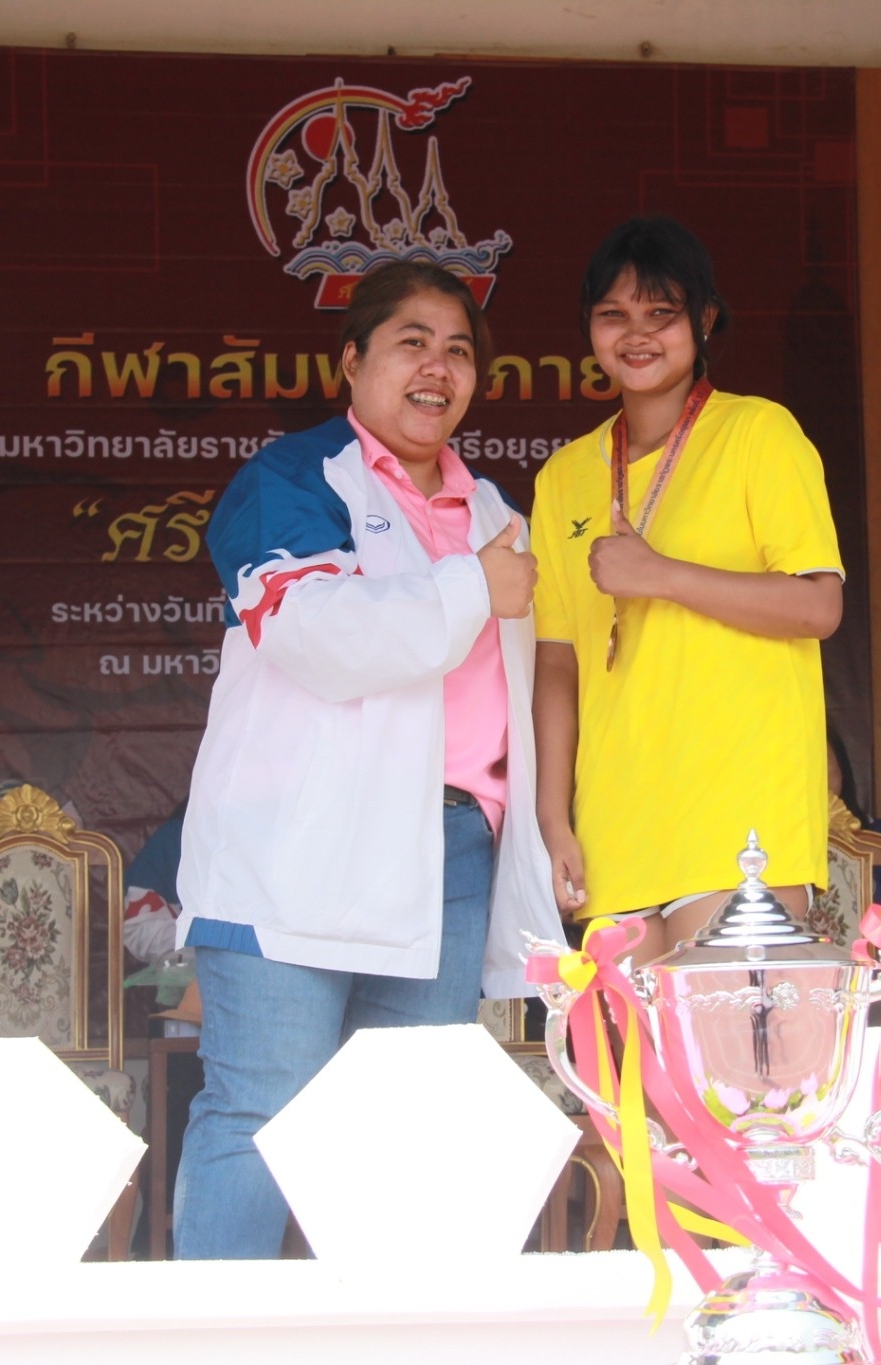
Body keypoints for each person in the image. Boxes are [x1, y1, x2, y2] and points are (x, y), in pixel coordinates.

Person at [172, 260, 558, 1260]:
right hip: (294, 851)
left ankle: (392, 1328)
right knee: (261, 1112)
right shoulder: (293, 479)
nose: (438, 368)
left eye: (459, 351)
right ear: (350, 362)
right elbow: (317, 634)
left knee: (409, 1127)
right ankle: (215, 1333)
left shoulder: (495, 514)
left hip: (450, 857)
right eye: (411, 343)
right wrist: (473, 588)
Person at [531, 217, 844, 959]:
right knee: (623, 1040)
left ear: (704, 320)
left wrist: (662, 575)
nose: (637, 334)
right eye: (614, 314)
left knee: (724, 1036)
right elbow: (556, 662)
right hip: (615, 821)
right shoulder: (563, 476)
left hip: (741, 816)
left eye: (661, 313)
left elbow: (817, 605)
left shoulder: (759, 433)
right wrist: (552, 818)